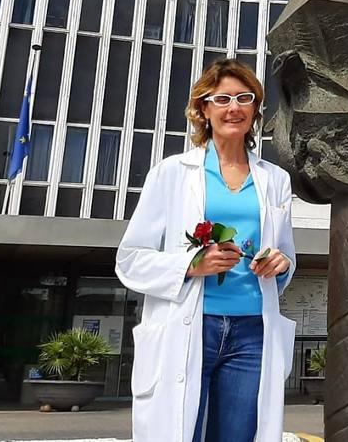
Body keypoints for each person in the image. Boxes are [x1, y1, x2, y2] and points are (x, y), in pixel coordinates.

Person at [116, 59, 298, 442]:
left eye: (244, 98)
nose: (234, 107)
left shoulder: (276, 180)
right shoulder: (171, 173)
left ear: (255, 109)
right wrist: (192, 264)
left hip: (252, 332)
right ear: (203, 109)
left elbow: (284, 255)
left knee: (238, 436)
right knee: (183, 432)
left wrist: (279, 264)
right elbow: (130, 258)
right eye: (223, 99)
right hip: (194, 324)